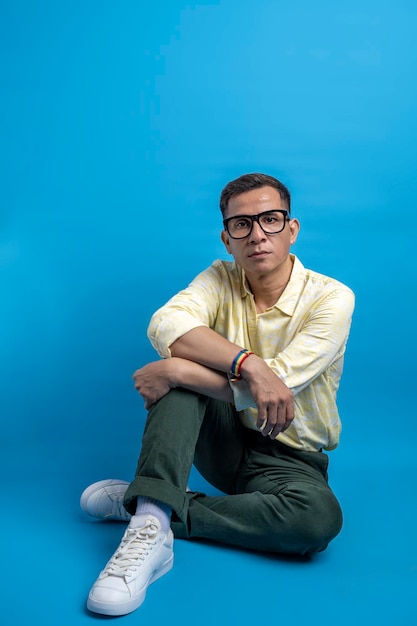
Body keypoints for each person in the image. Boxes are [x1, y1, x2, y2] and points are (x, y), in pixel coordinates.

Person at [80, 172, 355, 616]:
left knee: (317, 521)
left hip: (290, 458)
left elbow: (281, 385)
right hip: (223, 441)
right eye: (242, 224)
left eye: (270, 219)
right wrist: (250, 365)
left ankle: (154, 503)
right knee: (183, 383)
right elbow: (165, 324)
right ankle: (149, 528)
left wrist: (176, 367)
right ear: (227, 239)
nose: (257, 234)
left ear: (292, 229)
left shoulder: (332, 297)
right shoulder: (218, 278)